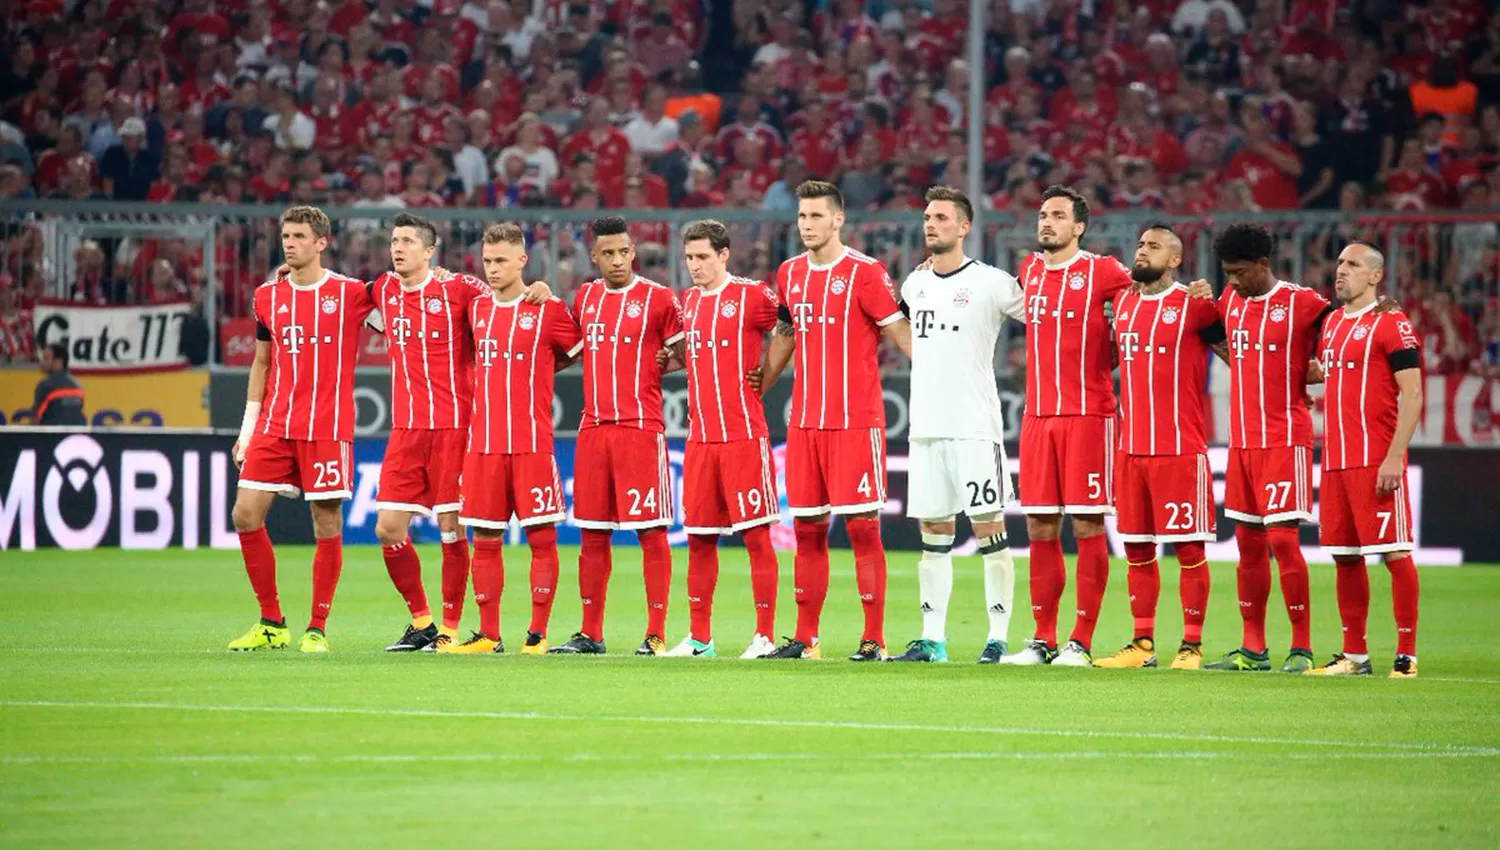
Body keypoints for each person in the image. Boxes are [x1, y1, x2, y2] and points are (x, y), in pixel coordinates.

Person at [371, 213, 549, 653]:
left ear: (429, 252)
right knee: (388, 529)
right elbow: (334, 291)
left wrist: (539, 289)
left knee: (451, 528)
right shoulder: (382, 289)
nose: (398, 248)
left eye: (409, 241)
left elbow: (507, 299)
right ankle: (422, 620)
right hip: (405, 430)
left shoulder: (461, 289)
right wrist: (290, 271)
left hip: (455, 427)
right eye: (394, 240)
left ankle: (450, 626)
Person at [760, 181, 914, 661]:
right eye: (802, 217)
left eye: (816, 217)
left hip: (855, 421)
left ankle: (875, 639)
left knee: (862, 528)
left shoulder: (866, 272)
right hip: (805, 422)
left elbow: (898, 331)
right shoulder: (790, 273)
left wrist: (934, 372)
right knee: (806, 528)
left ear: (838, 219)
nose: (807, 225)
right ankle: (806, 639)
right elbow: (786, 334)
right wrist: (758, 387)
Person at [227, 206, 379, 653]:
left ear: (321, 243)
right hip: (275, 423)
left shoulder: (352, 294)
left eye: (298, 236)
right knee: (245, 514)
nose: (289, 243)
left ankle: (317, 628)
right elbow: (261, 361)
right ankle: (272, 621)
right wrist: (248, 428)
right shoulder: (266, 297)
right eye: (285, 236)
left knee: (326, 521)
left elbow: (400, 308)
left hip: (327, 428)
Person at [888, 187, 1025, 664]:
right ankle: (933, 639)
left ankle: (998, 638)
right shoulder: (915, 283)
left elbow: (1042, 317)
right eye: (928, 216)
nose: (931, 224)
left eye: (942, 217)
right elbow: (900, 325)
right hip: (926, 427)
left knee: (991, 530)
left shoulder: (994, 282)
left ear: (963, 227)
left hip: (974, 425)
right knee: (934, 536)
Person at [1001, 185, 1133, 667]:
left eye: (1058, 215)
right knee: (1039, 524)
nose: (1047, 221)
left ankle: (1080, 640)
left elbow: (1145, 310)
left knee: (1087, 522)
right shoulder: (1030, 269)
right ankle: (1042, 638)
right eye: (1042, 214)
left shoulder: (1105, 271)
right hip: (1038, 417)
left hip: (1089, 415)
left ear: (1079, 226)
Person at [1192, 223, 1328, 673]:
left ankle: (1302, 648)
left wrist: (1317, 369)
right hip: (1242, 442)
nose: (1231, 281)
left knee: (1284, 540)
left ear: (1264, 264)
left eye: (1239, 272)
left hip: (1285, 438)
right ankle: (1253, 649)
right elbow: (1225, 346)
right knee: (1248, 546)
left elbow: (1348, 332)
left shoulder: (1302, 302)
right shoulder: (1230, 301)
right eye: (1227, 272)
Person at [548, 217, 684, 656]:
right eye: (607, 253)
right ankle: (591, 632)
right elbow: (563, 350)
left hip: (640, 428)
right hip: (592, 429)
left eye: (623, 251)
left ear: (633, 251)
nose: (617, 260)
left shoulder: (658, 299)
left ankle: (656, 633)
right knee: (592, 533)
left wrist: (664, 363)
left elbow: (688, 353)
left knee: (650, 532)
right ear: (594, 257)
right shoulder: (585, 297)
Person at [1092, 226, 1223, 671]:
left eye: (1154, 246)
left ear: (1174, 260)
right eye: (1141, 244)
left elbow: (1236, 352)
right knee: (1137, 548)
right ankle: (1142, 643)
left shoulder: (1194, 303)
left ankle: (1190, 646)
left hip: (1180, 447)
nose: (1142, 250)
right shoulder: (1124, 302)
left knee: (1189, 548)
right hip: (1132, 450)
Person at [451, 223, 583, 654]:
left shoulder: (547, 308)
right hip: (483, 446)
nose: (492, 269)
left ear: (522, 261)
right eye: (487, 261)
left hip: (531, 445)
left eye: (501, 260)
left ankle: (538, 635)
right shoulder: (476, 310)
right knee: (485, 540)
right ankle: (489, 635)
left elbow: (577, 351)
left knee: (542, 540)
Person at [658, 220, 782, 660]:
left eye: (703, 257)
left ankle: (765, 635)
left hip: (743, 435)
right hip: (700, 440)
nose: (694, 266)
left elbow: (792, 326)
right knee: (700, 539)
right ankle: (700, 639)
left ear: (724, 255)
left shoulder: (753, 295)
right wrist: (668, 359)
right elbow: (687, 354)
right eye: (689, 258)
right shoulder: (687, 302)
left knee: (755, 538)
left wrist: (768, 374)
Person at [1307, 242, 1422, 678]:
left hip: (1376, 460)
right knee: (1345, 556)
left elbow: (1412, 394)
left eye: (1352, 264)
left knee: (1394, 552)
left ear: (1375, 276)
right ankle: (1354, 655)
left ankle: (1406, 654)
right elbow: (1334, 375)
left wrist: (1395, 456)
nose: (1341, 270)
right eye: (1338, 262)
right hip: (1335, 461)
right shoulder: (1333, 323)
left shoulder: (1393, 324)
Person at [32, 342, 86, 426]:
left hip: (51, 438)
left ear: (59, 361)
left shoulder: (45, 386)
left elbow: (35, 420)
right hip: (72, 437)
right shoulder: (78, 387)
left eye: (46, 358)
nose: (42, 362)